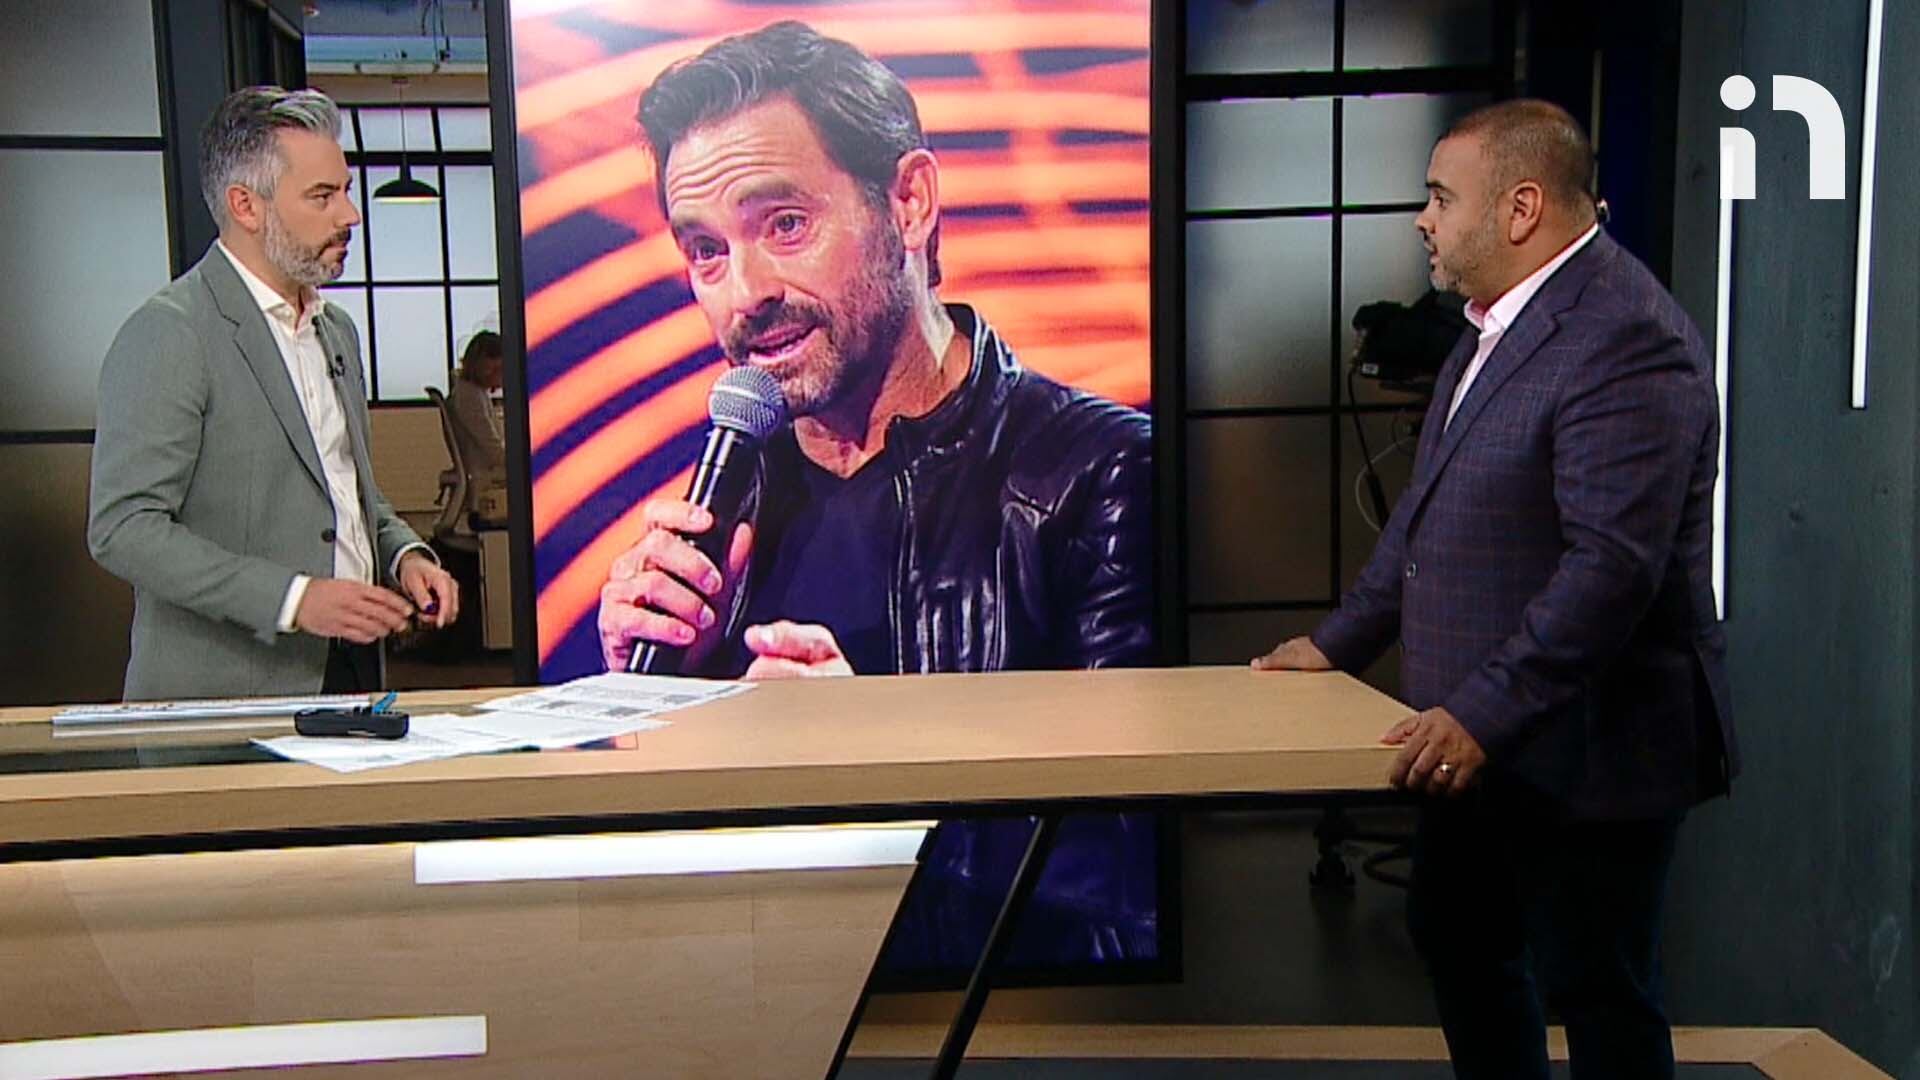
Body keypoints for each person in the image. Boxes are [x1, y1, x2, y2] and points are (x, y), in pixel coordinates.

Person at [1255, 100, 1735, 1080]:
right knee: (1458, 939)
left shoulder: (1626, 337)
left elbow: (1610, 572)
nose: (1422, 219)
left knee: (1600, 993)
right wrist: (1338, 643)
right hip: (1478, 743)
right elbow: (1422, 518)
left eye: (1441, 198)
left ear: (1521, 209)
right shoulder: (1491, 326)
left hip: (1587, 751)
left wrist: (1480, 713)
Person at [596, 20, 1152, 678]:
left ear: (909, 202)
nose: (745, 293)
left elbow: (1130, 745)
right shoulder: (731, 500)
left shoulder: (1095, 474)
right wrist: (660, 683)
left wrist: (866, 728)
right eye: (707, 251)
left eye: (786, 224)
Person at [89, 86, 459, 700]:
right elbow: (123, 528)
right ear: (246, 206)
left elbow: (343, 489)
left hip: (351, 673)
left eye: (346, 191)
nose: (350, 215)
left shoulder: (335, 330)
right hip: (225, 698)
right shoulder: (173, 333)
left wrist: (403, 556)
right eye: (322, 196)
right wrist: (294, 599)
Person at [449, 329, 508, 498]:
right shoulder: (471, 396)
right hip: (484, 469)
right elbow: (492, 448)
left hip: (483, 464)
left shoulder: (471, 391)